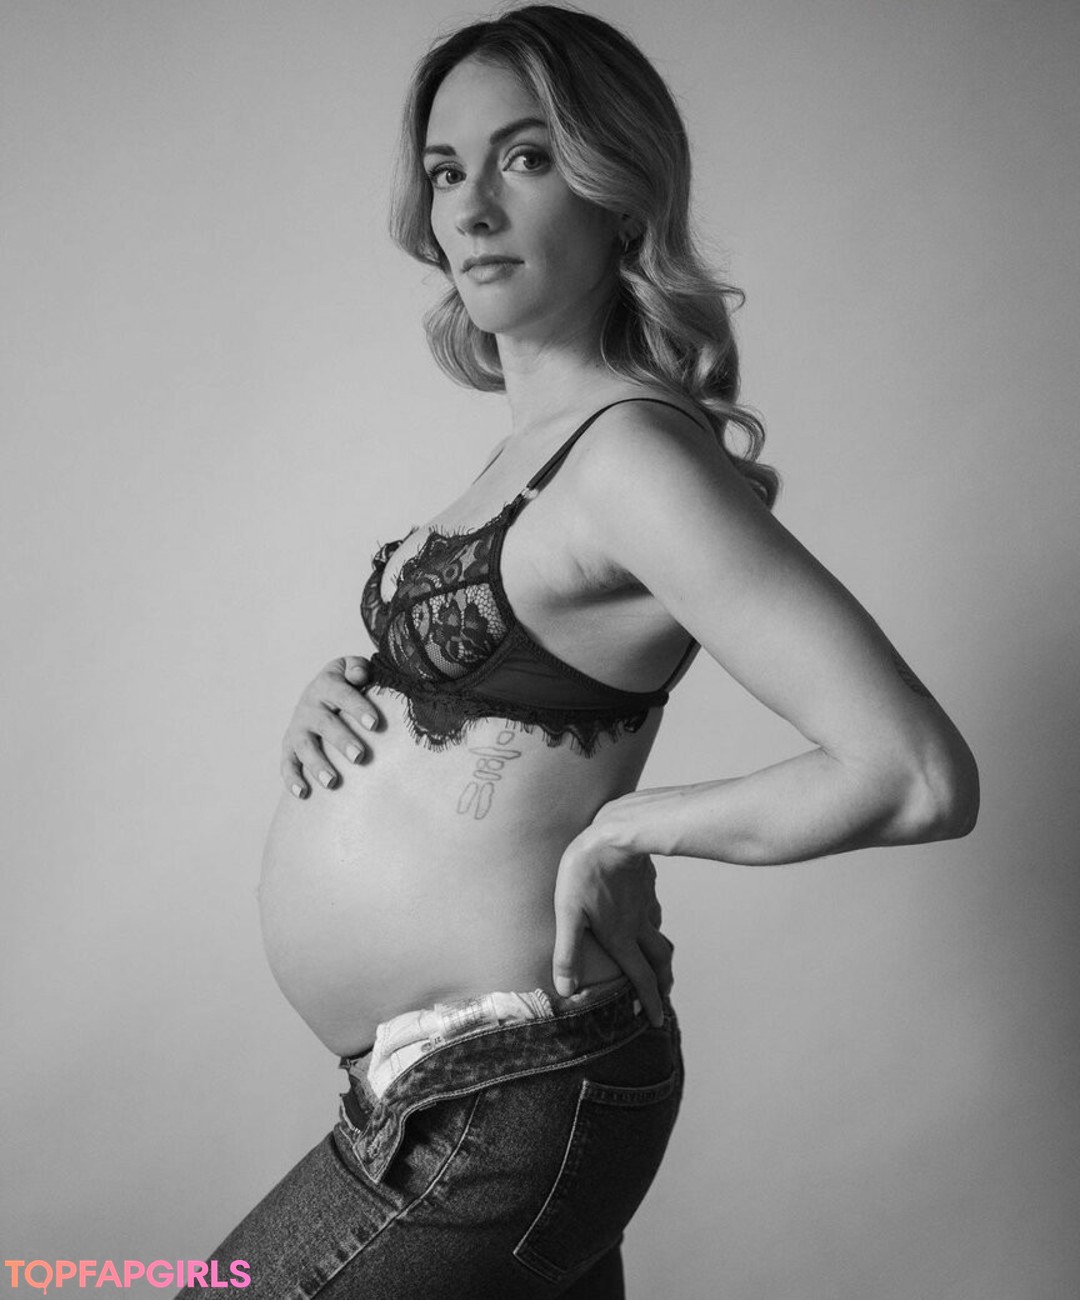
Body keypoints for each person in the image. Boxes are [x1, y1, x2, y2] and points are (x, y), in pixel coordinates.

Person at [182, 6, 979, 1296]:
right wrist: (343, 697)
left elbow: (916, 772)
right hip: (442, 1085)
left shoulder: (632, 460)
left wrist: (625, 830)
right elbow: (499, 688)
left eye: (526, 157)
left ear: (618, 189)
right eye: (447, 170)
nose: (473, 206)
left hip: (510, 1087)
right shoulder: (533, 451)